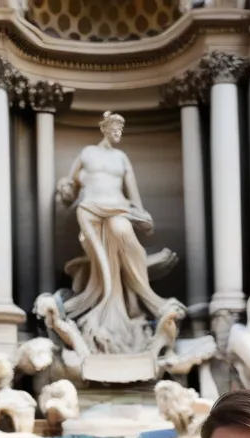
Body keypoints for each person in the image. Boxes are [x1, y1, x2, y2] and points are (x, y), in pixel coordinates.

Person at [55, 111, 171, 353]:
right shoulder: (87, 153)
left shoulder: (122, 157)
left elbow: (132, 190)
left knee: (122, 232)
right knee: (103, 259)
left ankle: (141, 290)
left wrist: (141, 213)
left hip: (119, 208)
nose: (119, 134)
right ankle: (110, 313)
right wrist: (65, 191)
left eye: (121, 130)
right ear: (105, 128)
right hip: (91, 209)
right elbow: (71, 183)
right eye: (116, 130)